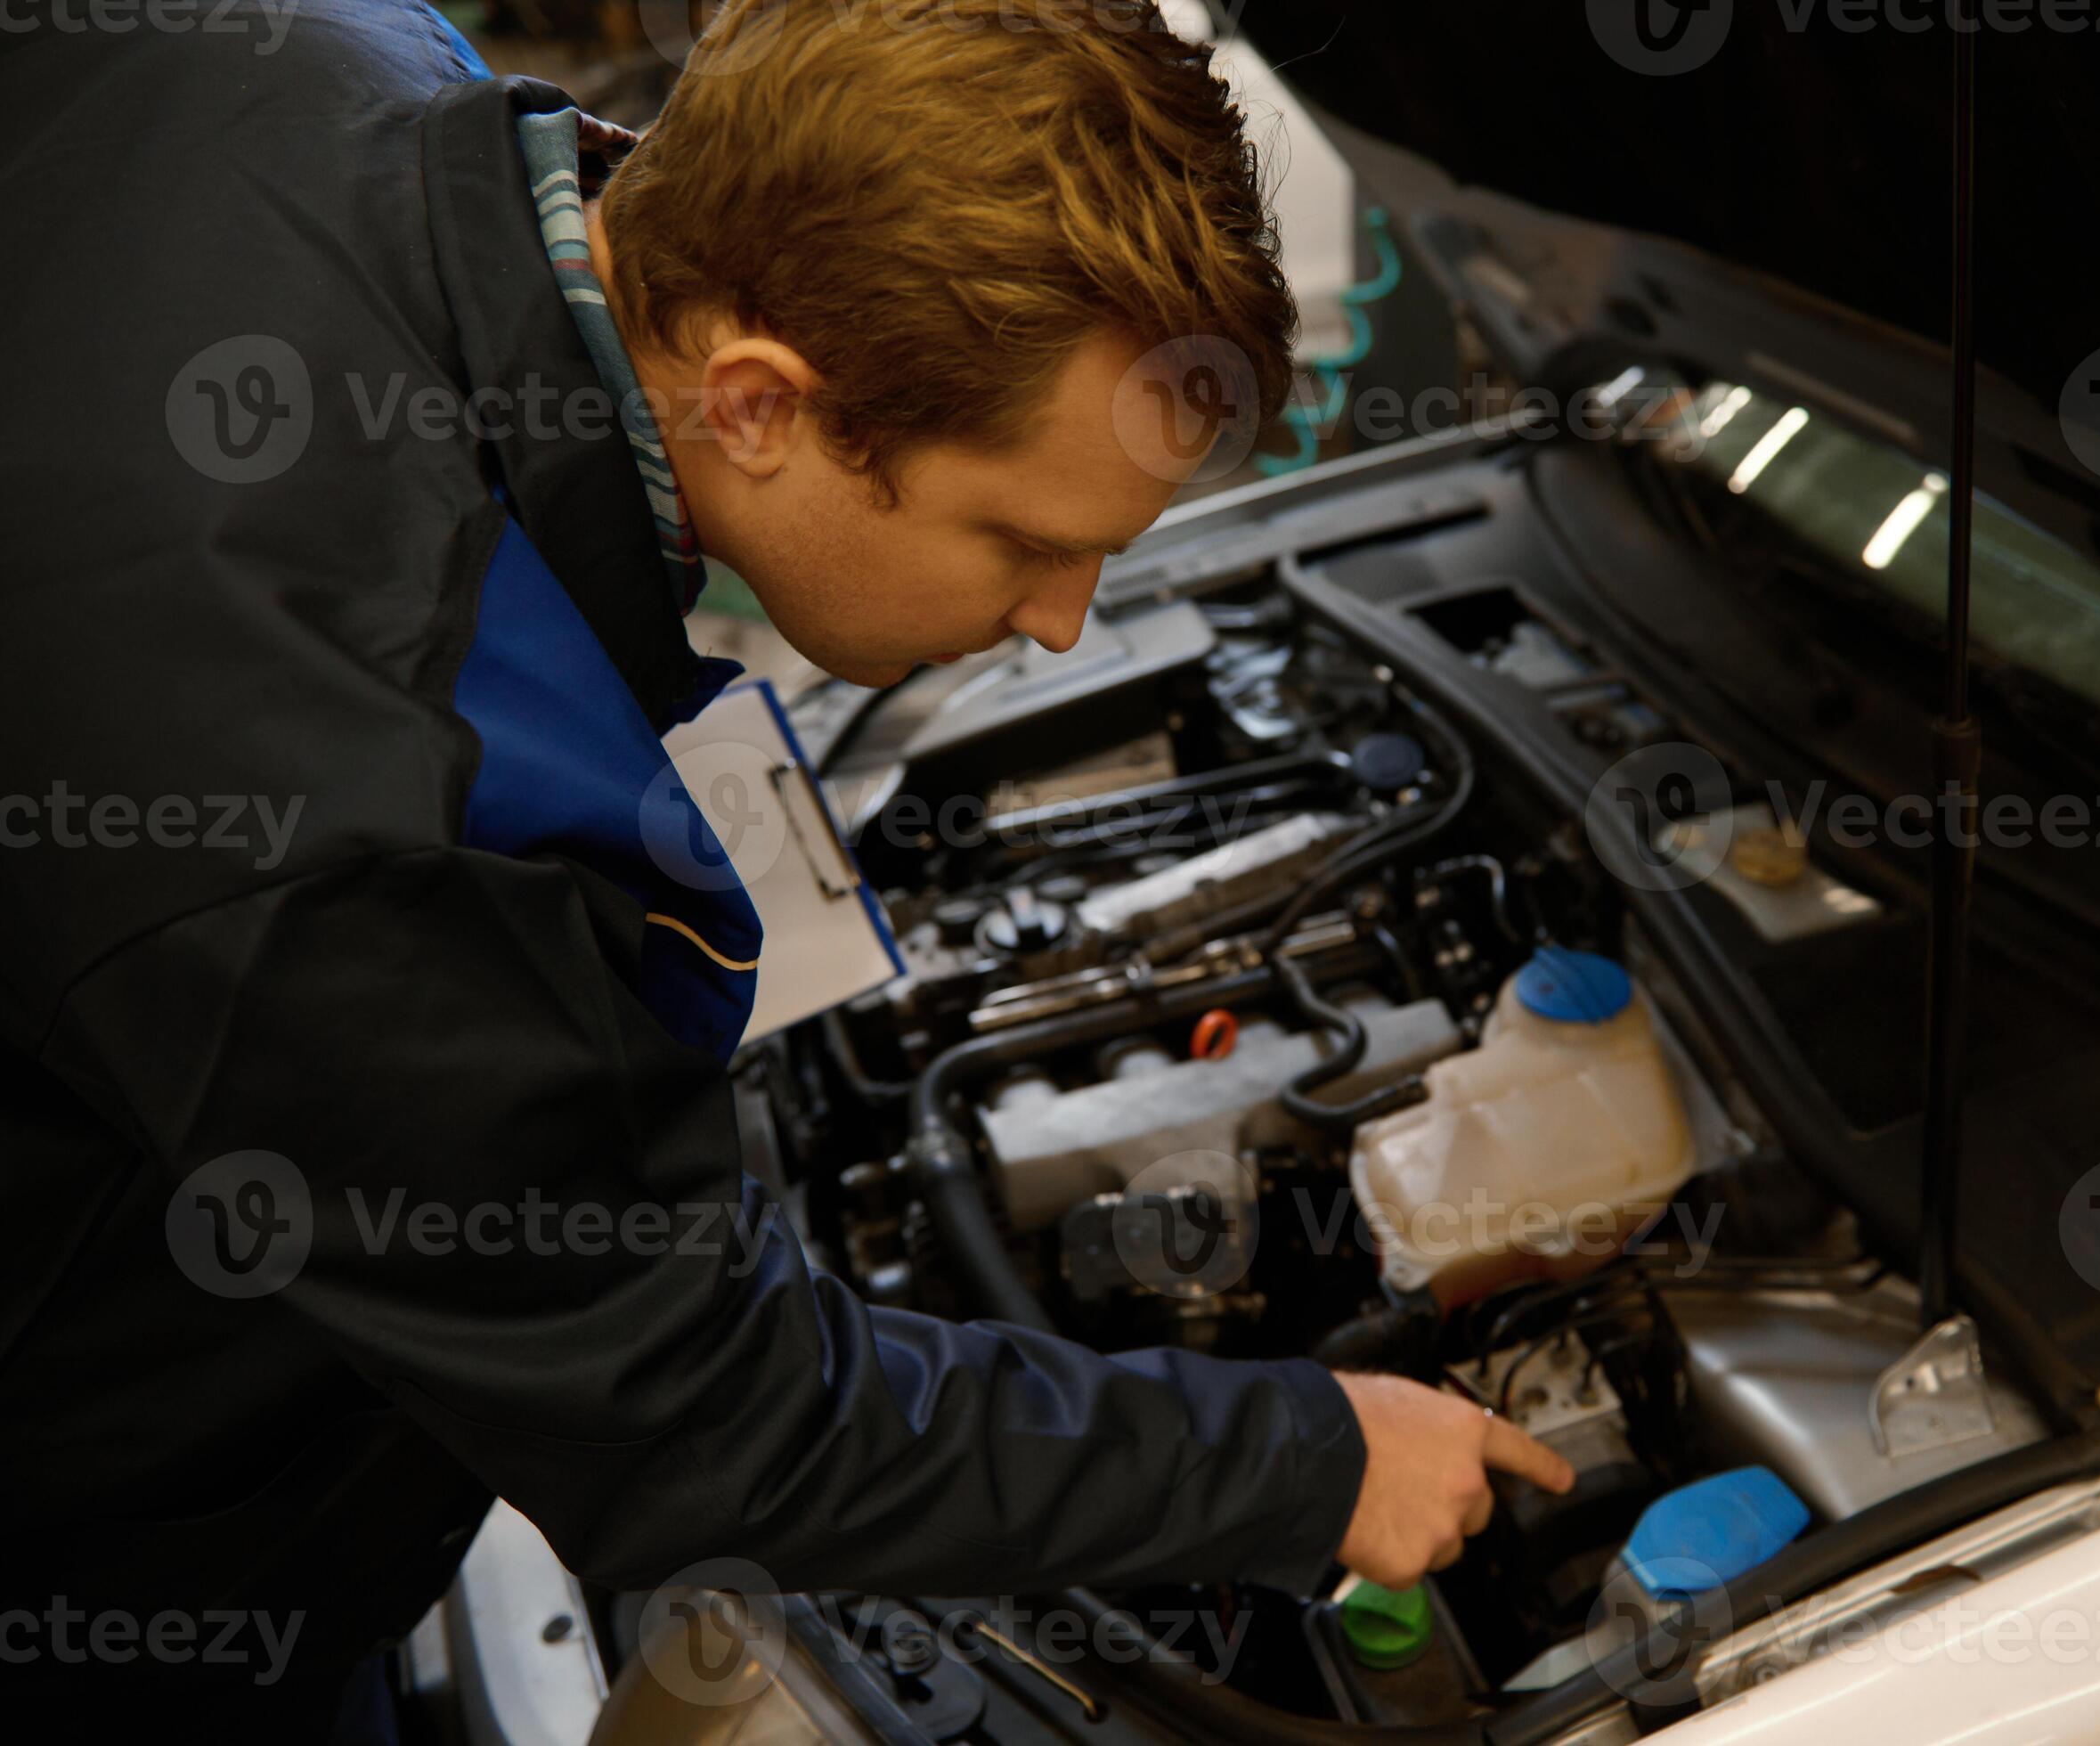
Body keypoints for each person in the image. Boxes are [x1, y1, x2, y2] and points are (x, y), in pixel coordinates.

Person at [0, 0, 1571, 1729]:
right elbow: (697, 1419)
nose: (1060, 630)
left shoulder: (331, 48)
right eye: (1030, 543)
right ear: (756, 404)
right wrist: (1297, 1456)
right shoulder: (358, 801)